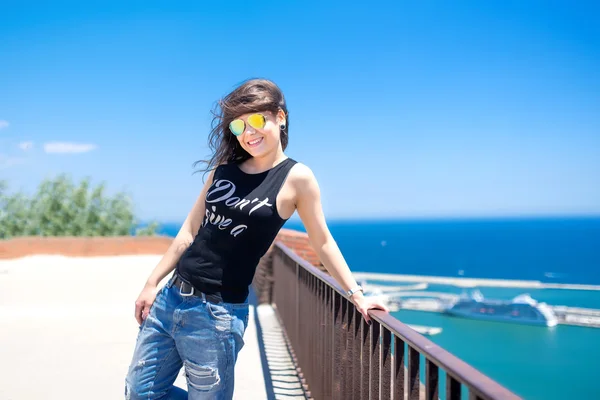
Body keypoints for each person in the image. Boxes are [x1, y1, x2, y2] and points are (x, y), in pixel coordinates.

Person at [124, 78, 389, 399]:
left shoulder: (296, 178)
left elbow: (321, 241)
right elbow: (189, 232)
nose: (249, 133)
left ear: (281, 117)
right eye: (239, 126)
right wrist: (152, 283)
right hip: (171, 299)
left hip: (216, 315)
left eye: (258, 121)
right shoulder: (223, 169)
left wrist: (356, 294)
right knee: (140, 393)